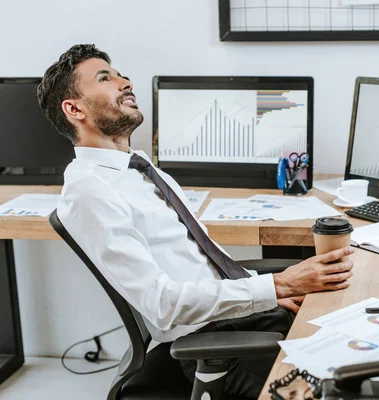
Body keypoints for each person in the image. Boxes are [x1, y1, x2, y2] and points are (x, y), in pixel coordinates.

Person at [37, 44, 355, 397]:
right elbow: (162, 306)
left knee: (367, 331)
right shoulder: (90, 189)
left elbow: (205, 261)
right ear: (74, 108)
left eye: (120, 73)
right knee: (356, 385)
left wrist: (267, 295)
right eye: (105, 77)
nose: (125, 81)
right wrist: (277, 285)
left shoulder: (137, 165)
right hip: (219, 348)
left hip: (246, 315)